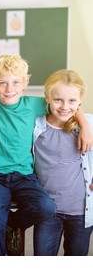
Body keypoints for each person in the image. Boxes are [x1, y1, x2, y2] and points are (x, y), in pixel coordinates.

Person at [0, 54, 92, 256]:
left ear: (25, 84)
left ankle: (12, 224)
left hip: (23, 175)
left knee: (45, 207)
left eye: (15, 82)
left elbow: (69, 104)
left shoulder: (34, 104)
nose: (9, 88)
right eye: (2, 83)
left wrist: (84, 125)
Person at [33, 69, 93, 256]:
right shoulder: (35, 126)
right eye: (58, 99)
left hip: (81, 212)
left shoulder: (89, 124)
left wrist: (84, 124)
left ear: (80, 100)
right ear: (47, 97)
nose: (65, 106)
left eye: (72, 101)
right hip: (48, 212)